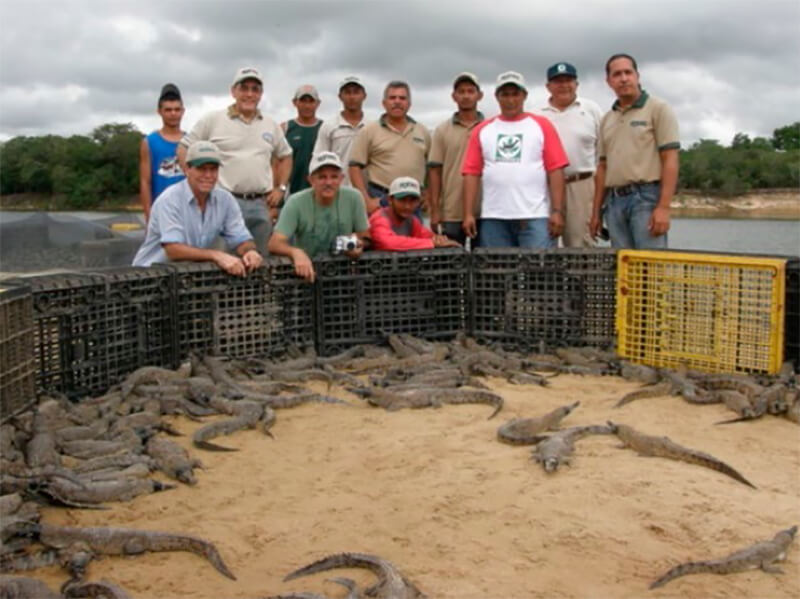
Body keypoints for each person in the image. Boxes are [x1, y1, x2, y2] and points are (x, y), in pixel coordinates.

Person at [178, 67, 292, 254]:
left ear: (260, 94)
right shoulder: (212, 119)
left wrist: (280, 189)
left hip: (259, 205)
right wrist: (195, 182)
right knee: (221, 261)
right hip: (221, 201)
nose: (249, 94)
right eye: (244, 88)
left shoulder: (270, 124)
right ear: (233, 91)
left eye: (255, 89)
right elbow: (184, 148)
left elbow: (286, 156)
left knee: (259, 260)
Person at [461, 71, 568, 248]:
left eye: (515, 94)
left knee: (539, 272)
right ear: (497, 97)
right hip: (494, 218)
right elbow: (471, 174)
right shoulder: (482, 130)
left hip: (534, 217)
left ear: (524, 95)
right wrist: (468, 214)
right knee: (498, 274)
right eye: (505, 94)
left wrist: (557, 211)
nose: (510, 100)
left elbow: (556, 169)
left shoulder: (542, 126)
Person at [589, 54, 680, 249]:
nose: (623, 79)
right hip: (614, 203)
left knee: (650, 267)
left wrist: (663, 207)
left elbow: (670, 159)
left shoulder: (658, 109)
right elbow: (602, 168)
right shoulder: (607, 119)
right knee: (624, 267)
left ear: (637, 76)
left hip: (645, 198)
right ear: (609, 81)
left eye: (628, 72)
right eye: (617, 74)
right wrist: (596, 212)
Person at [132, 141, 263, 276]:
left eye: (213, 169)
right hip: (147, 275)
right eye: (202, 168)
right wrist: (217, 255)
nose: (208, 175)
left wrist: (250, 251)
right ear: (187, 169)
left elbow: (240, 238)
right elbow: (173, 250)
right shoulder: (169, 200)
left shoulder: (226, 200)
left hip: (183, 276)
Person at [268, 151, 370, 282]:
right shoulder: (295, 201)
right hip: (307, 272)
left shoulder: (354, 197)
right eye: (322, 177)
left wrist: (357, 244)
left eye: (334, 177)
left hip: (344, 273)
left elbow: (366, 236)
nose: (328, 182)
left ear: (341, 179)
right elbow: (274, 243)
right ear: (311, 180)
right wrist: (295, 252)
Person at [539, 62, 603, 248]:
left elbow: (602, 156)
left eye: (568, 80)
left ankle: (583, 279)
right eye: (557, 81)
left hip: (581, 185)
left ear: (577, 84)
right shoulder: (536, 114)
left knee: (581, 246)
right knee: (543, 244)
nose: (563, 85)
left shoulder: (592, 110)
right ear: (548, 86)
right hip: (545, 187)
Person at [348, 80, 431, 214]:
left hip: (413, 202)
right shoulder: (369, 131)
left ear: (409, 104)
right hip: (381, 199)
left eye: (402, 98)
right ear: (384, 103)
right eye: (392, 98)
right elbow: (354, 167)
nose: (397, 101)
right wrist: (366, 200)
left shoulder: (422, 131)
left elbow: (433, 167)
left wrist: (429, 195)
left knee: (415, 235)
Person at [428, 72, 484, 245]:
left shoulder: (489, 128)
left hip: (483, 210)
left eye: (470, 91)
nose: (466, 96)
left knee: (485, 264)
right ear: (454, 96)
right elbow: (435, 171)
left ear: (479, 95)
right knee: (451, 265)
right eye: (461, 92)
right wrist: (435, 210)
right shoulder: (442, 130)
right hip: (451, 211)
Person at [369, 176, 461, 252]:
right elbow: (387, 243)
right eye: (402, 200)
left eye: (413, 200)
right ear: (390, 200)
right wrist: (432, 243)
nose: (407, 206)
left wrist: (439, 239)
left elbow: (427, 236)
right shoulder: (379, 218)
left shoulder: (411, 220)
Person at [139, 83, 185, 222]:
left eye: (177, 109)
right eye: (168, 110)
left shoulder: (191, 141)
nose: (173, 114)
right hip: (161, 212)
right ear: (159, 111)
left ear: (183, 111)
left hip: (187, 212)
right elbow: (145, 182)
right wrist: (149, 216)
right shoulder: (149, 142)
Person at [313, 75, 367, 186]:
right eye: (347, 92)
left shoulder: (372, 126)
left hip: (366, 192)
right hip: (336, 190)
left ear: (364, 96)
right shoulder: (329, 126)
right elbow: (318, 159)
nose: (352, 97)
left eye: (356, 92)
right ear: (340, 96)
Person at [282, 85, 323, 195]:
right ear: (295, 102)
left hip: (319, 191)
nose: (307, 106)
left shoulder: (325, 129)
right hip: (291, 192)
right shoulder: (285, 128)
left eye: (311, 101)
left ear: (318, 103)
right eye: (303, 101)